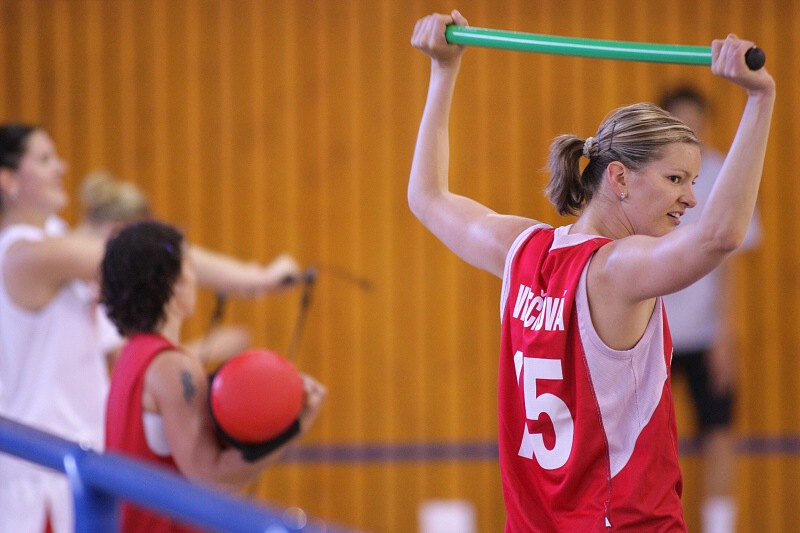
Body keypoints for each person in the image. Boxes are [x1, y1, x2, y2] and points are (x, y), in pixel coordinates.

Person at [409, 10, 774, 532]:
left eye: (693, 182)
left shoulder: (521, 248)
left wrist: (443, 70)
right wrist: (760, 100)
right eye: (676, 179)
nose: (691, 199)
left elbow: (426, 197)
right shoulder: (615, 270)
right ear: (620, 179)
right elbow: (720, 236)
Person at [0, 124, 303, 533]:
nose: (61, 167)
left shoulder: (57, 241)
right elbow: (150, 256)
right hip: (41, 478)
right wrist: (256, 278)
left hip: (83, 460)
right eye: (44, 159)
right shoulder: (23, 254)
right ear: (8, 179)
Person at [100, 220, 326, 532]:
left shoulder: (130, 356)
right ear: (174, 282)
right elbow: (211, 478)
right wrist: (295, 427)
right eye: (190, 267)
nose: (196, 279)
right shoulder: (173, 367)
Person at [660, 86, 761, 533]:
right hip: (655, 331)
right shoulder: (647, 179)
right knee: (651, 437)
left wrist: (726, 333)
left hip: (705, 332)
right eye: (679, 122)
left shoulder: (722, 174)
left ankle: (719, 525)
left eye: (695, 123)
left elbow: (731, 263)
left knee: (719, 430)